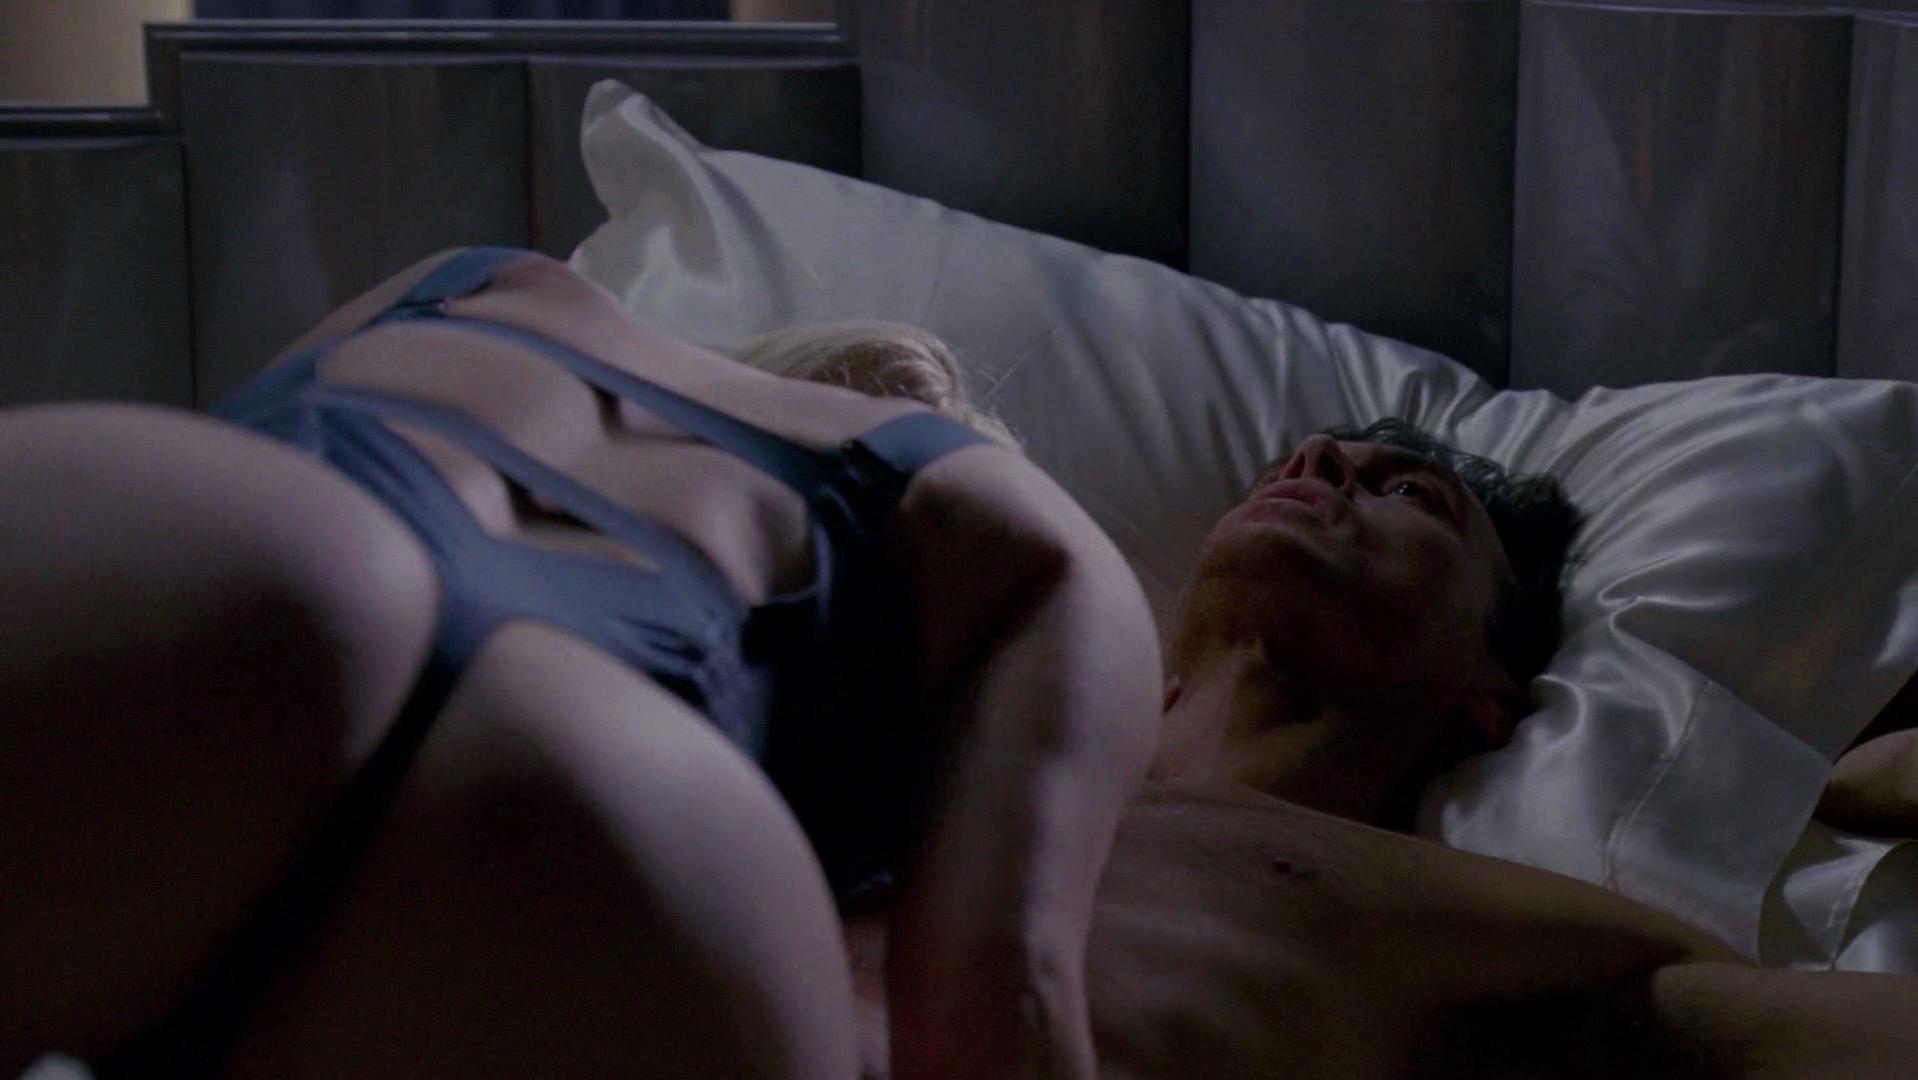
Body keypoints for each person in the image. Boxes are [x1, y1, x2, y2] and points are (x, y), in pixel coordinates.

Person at [0, 248, 1163, 1080]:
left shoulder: (480, 280)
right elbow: (999, 1010)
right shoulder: (1026, 534)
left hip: (271, 533)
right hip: (632, 816)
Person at [835, 415, 1918, 1078]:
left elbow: (1763, 1028)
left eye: (1409, 495)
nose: (1316, 462)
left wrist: (1856, 784)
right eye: (1299, 460)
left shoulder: (1437, 915)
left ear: (1488, 691)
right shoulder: (947, 706)